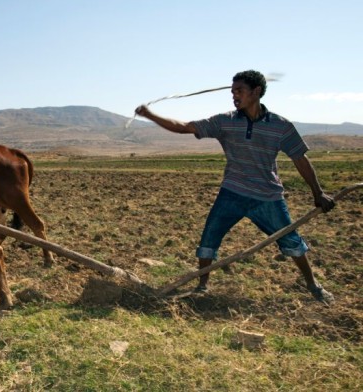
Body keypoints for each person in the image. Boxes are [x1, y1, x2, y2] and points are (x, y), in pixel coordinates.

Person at [135, 70, 336, 303]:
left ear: (256, 92)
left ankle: (313, 285)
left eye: (239, 91)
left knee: (291, 240)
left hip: (267, 196)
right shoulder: (225, 122)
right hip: (232, 192)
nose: (234, 96)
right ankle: (202, 286)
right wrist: (149, 114)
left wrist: (318, 192)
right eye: (232, 92)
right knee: (209, 237)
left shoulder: (281, 126)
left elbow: (300, 159)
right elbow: (184, 127)